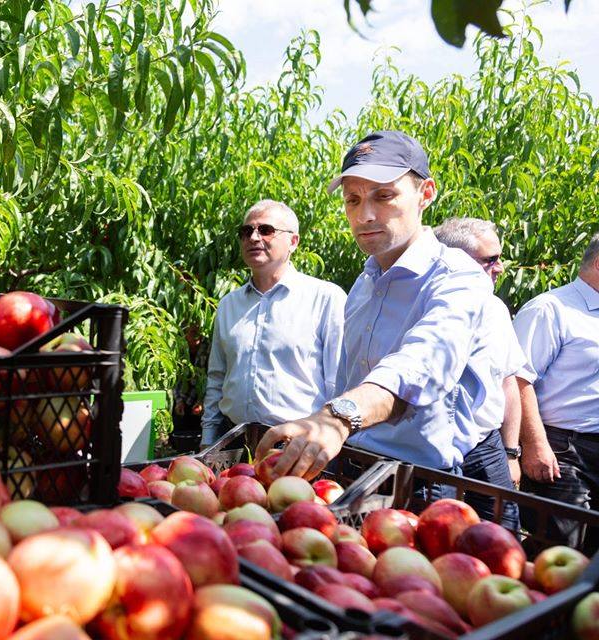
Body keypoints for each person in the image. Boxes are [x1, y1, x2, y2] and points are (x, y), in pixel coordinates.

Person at [255, 131, 498, 485]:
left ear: (425, 193)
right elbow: (346, 378)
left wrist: (338, 418)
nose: (365, 215)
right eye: (352, 200)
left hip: (418, 483)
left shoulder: (457, 277)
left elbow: (421, 365)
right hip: (354, 470)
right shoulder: (364, 284)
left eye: (384, 196)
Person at [200, 200, 346, 447]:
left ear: (293, 242)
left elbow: (338, 382)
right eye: (246, 231)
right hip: (233, 440)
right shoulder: (229, 305)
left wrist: (329, 441)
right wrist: (208, 439)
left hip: (297, 443)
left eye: (266, 230)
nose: (253, 238)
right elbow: (217, 378)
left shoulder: (325, 298)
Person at [512, 232, 599, 551]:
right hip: (563, 447)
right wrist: (534, 444)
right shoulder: (550, 309)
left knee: (591, 553)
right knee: (562, 545)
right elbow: (518, 379)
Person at [433, 217, 523, 528]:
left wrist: (511, 453)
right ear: (457, 259)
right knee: (438, 537)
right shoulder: (425, 304)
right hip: (433, 450)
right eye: (491, 260)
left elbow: (508, 381)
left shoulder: (496, 309)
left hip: (485, 446)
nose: (500, 268)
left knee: (504, 534)